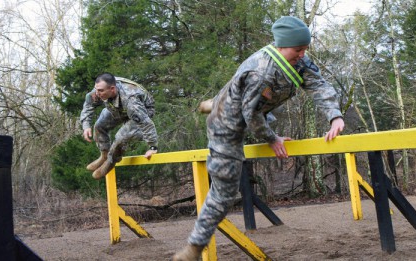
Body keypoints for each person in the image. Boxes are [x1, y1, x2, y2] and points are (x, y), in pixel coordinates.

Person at [173, 16, 345, 260]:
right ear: (281, 45)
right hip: (228, 124)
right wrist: (272, 139)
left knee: (244, 100)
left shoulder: (299, 60)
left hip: (255, 108)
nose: (302, 54)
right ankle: (194, 246)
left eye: (305, 49)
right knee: (225, 191)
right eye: (298, 50)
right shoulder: (261, 73)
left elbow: (319, 85)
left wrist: (335, 116)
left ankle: (217, 100)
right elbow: (251, 115)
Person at [80, 73, 158, 179]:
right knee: (99, 125)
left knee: (121, 136)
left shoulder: (131, 100)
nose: (97, 93)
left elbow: (145, 123)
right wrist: (86, 125)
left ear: (112, 89)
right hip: (118, 108)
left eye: (101, 91)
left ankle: (110, 161)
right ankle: (104, 155)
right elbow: (89, 103)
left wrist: (152, 146)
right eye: (96, 89)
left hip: (143, 111)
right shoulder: (100, 90)